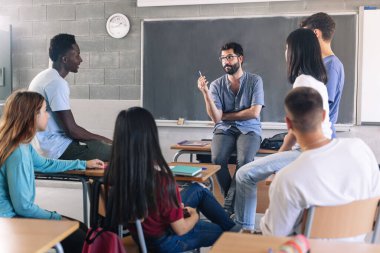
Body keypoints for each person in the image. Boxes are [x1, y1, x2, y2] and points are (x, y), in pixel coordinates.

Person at [234, 28, 332, 232]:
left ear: (296, 52)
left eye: (287, 48)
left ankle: (245, 231)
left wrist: (278, 160)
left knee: (244, 174)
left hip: (306, 151)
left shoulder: (303, 81)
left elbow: (296, 131)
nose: (285, 53)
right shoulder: (318, 81)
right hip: (322, 149)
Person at [104, 107, 235, 253]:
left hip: (141, 235)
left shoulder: (112, 172)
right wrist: (194, 215)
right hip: (165, 242)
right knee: (222, 232)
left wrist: (174, 206)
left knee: (198, 189)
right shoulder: (162, 182)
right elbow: (181, 229)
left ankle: (236, 229)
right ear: (150, 138)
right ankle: (236, 233)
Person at [260, 86, 380, 241]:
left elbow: (273, 236)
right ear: (324, 116)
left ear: (288, 124)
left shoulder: (288, 178)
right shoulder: (361, 149)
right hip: (357, 247)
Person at [0, 90, 105, 253]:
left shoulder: (22, 145)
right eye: (44, 110)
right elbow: (24, 208)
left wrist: (84, 164)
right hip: (10, 223)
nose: (48, 116)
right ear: (32, 116)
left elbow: (46, 164)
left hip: (13, 219)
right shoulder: (18, 153)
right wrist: (56, 217)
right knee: (79, 236)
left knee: (81, 229)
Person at [197, 42, 264, 215]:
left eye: (229, 57)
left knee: (245, 160)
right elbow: (215, 118)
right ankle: (232, 202)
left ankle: (227, 207)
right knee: (217, 159)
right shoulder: (216, 85)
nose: (226, 61)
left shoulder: (255, 81)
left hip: (249, 129)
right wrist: (205, 93)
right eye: (223, 58)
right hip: (224, 129)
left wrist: (225, 115)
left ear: (240, 58)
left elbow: (254, 112)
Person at [29, 33, 112, 161]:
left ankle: (98, 181)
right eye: (77, 55)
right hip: (57, 150)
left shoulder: (44, 76)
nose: (80, 60)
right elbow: (72, 131)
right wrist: (106, 140)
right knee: (119, 152)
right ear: (64, 59)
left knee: (101, 146)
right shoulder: (56, 83)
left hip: (43, 146)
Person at [300, 12, 345, 138]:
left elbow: (321, 107)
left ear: (316, 33)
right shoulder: (322, 64)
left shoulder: (331, 66)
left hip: (321, 137)